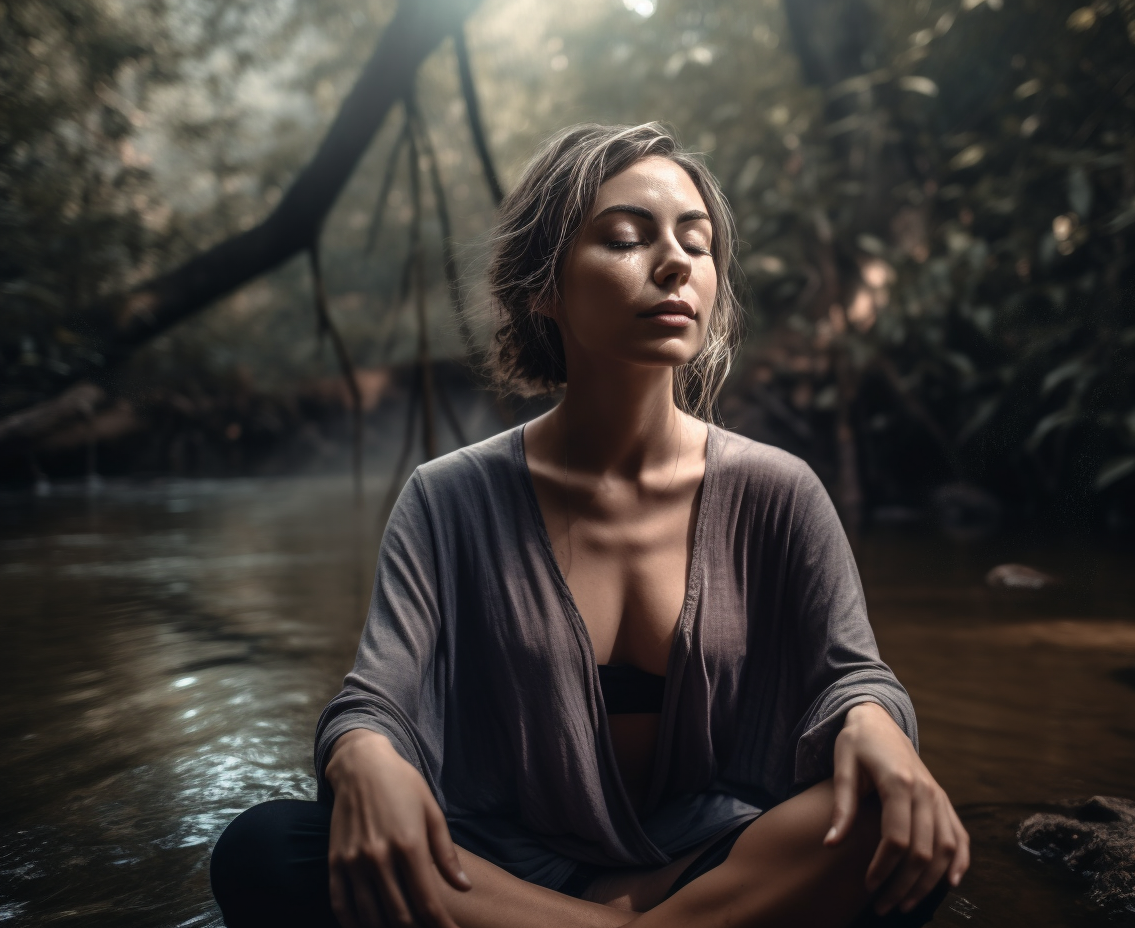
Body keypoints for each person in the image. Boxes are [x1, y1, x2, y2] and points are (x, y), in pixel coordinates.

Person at [210, 123, 969, 928]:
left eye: (697, 242)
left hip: (714, 863)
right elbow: (376, 701)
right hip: (499, 871)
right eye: (626, 238)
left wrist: (878, 729)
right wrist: (361, 757)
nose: (676, 262)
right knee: (269, 848)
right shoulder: (447, 498)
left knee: (900, 823)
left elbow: (853, 678)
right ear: (544, 286)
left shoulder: (778, 492)